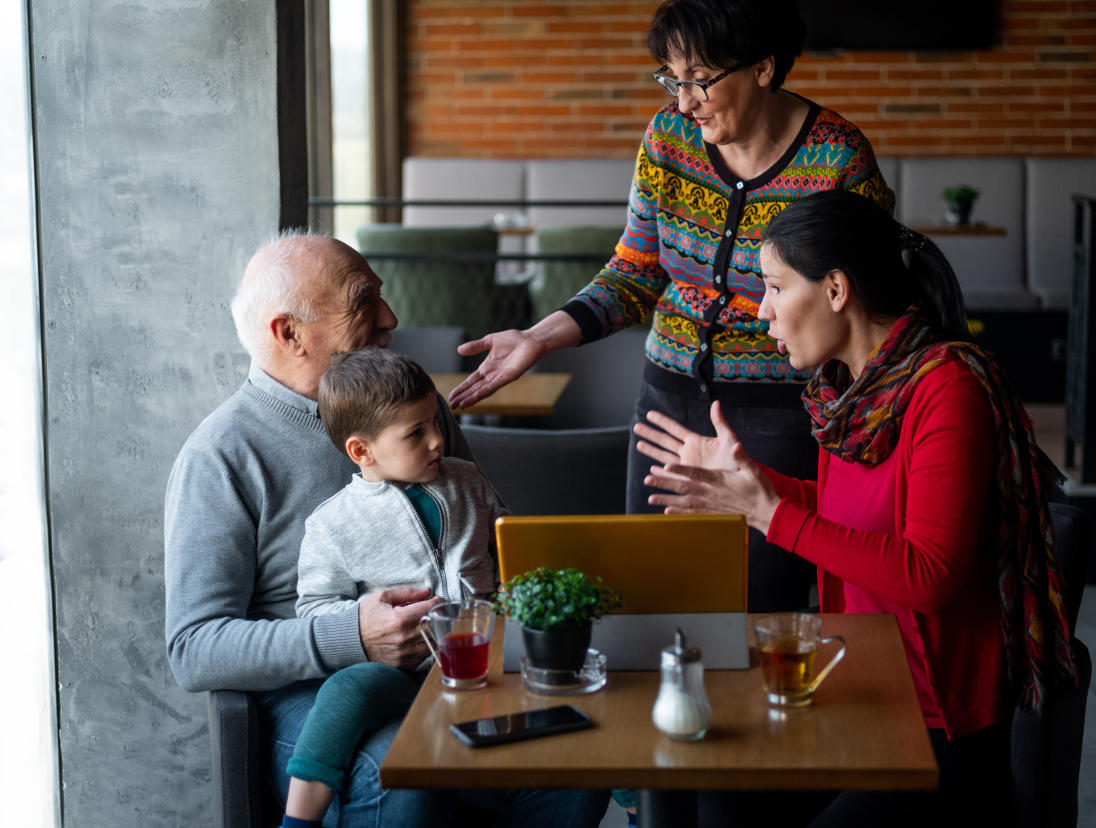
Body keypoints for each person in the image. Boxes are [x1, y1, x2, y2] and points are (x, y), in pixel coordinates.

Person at [634, 190, 1079, 827]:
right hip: (862, 689)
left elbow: (928, 573)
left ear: (836, 289)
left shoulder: (944, 389)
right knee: (715, 804)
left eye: (776, 288)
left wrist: (769, 516)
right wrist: (753, 485)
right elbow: (851, 513)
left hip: (936, 726)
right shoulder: (849, 396)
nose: (764, 314)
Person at [448, 0, 894, 616]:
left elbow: (865, 302)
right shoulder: (669, 139)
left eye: (700, 80)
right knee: (652, 594)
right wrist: (541, 337)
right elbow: (635, 271)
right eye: (672, 78)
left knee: (758, 606)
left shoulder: (838, 159)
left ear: (764, 67)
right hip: (668, 404)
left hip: (779, 417)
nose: (684, 101)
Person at [164, 232, 609, 827]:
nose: (391, 317)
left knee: (572, 748)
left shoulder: (418, 412)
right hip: (315, 695)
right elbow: (194, 648)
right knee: (403, 767)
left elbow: (475, 534)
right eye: (363, 299)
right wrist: (353, 637)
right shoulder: (221, 454)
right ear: (289, 333)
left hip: (460, 662)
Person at [280, 347, 507, 828]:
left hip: (488, 655)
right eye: (416, 433)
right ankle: (298, 822)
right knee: (344, 691)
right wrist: (368, 616)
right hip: (404, 672)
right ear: (362, 451)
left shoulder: (467, 480)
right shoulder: (332, 525)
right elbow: (314, 609)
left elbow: (510, 544)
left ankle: (637, 804)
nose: (436, 441)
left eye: (436, 423)